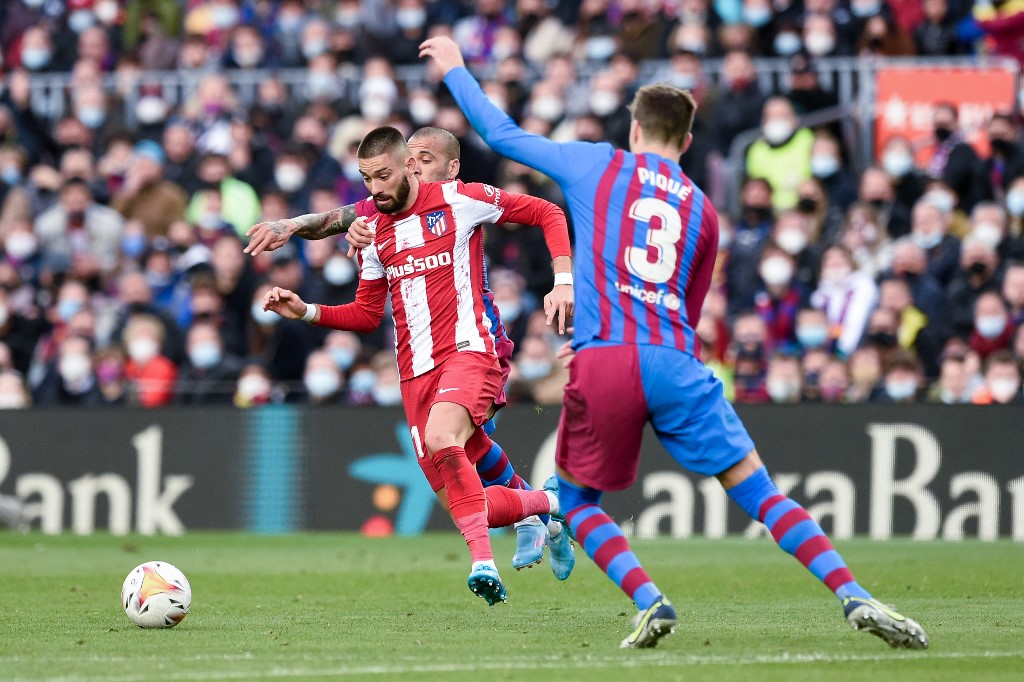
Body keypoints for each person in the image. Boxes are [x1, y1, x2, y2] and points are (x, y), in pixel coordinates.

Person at [420, 35, 929, 650]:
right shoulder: (704, 209)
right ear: (687, 142)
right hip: (674, 359)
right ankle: (853, 593)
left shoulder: (597, 163)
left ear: (635, 129)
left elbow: (500, 135)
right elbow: (687, 312)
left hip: (607, 360)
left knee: (576, 504)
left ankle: (650, 600)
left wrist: (455, 69)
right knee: (760, 492)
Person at [261, 126, 575, 606]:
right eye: (367, 180)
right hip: (415, 375)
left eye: (383, 176)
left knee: (442, 438)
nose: (374, 189)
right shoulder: (369, 228)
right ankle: (549, 505)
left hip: (470, 350)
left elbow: (547, 211)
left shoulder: (458, 199)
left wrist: (564, 280)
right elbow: (366, 314)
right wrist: (305, 310)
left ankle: (482, 563)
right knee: (468, 503)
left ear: (408, 165)